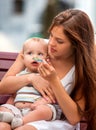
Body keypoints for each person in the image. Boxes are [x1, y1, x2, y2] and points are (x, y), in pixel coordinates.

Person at [0, 9, 96, 130]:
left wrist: (54, 80)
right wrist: (31, 78)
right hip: (20, 112)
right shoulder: (37, 49)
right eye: (51, 35)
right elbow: (2, 87)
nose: (51, 43)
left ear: (75, 45)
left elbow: (73, 117)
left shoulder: (81, 67)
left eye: (59, 41)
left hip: (54, 119)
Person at [0, 37, 59, 129]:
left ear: (47, 58)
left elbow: (52, 93)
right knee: (5, 108)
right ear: (22, 58)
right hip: (18, 111)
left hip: (34, 109)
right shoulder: (19, 75)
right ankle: (9, 117)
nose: (34, 57)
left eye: (40, 54)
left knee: (45, 110)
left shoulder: (47, 74)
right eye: (30, 53)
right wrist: (8, 107)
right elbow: (14, 95)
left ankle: (21, 121)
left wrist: (43, 102)